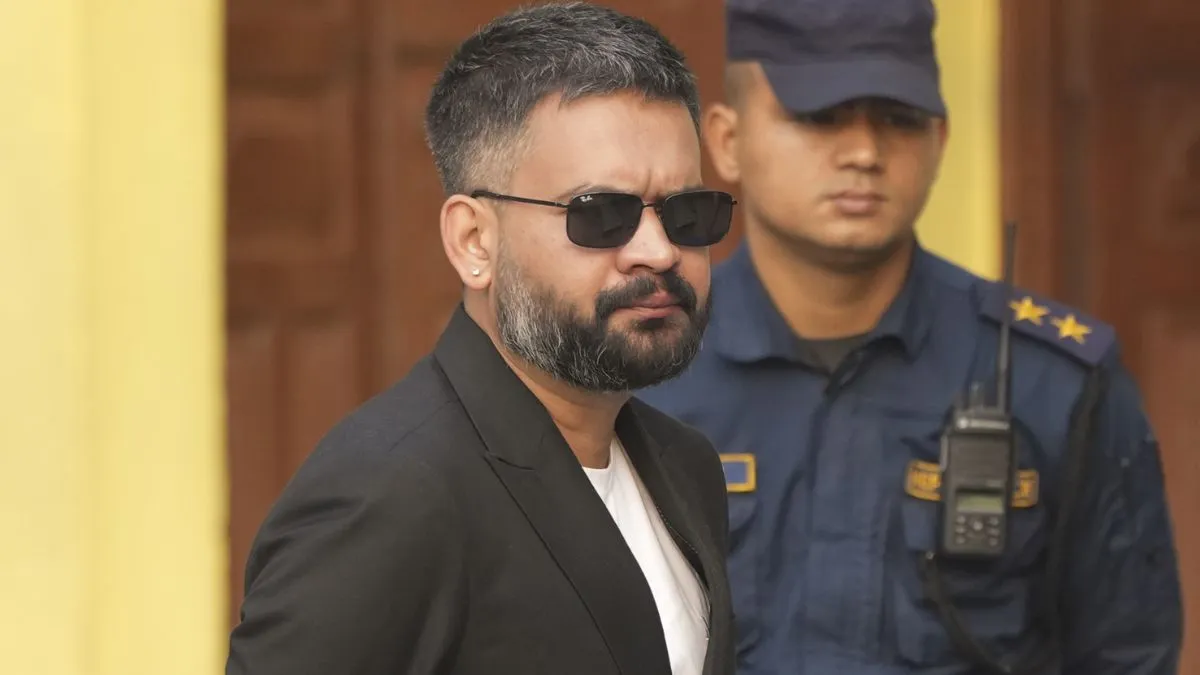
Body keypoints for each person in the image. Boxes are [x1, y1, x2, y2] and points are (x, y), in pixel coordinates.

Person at [637, 0, 1184, 673]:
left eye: (899, 119)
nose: (864, 153)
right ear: (727, 141)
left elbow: (1128, 653)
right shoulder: (644, 365)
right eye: (820, 117)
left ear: (940, 140)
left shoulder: (1055, 383)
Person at [225, 3, 740, 674]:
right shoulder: (389, 494)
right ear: (474, 240)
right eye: (601, 215)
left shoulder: (685, 466)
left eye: (686, 213)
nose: (659, 251)